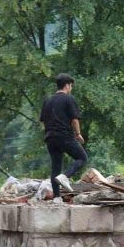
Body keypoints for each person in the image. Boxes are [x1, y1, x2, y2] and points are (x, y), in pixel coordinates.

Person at [39, 73, 88, 202]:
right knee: (82, 158)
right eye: (71, 86)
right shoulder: (68, 99)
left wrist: (50, 132)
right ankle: (65, 176)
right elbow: (74, 120)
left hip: (50, 137)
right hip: (64, 135)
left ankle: (56, 198)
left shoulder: (48, 101)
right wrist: (78, 134)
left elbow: (43, 121)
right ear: (67, 85)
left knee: (55, 167)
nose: (71, 88)